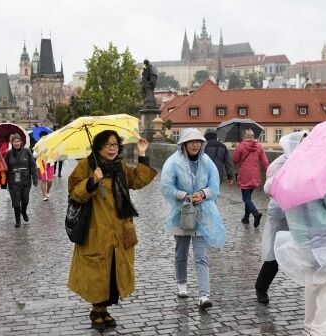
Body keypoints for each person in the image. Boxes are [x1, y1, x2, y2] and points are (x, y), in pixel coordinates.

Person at [68, 131, 156, 331]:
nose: (112, 148)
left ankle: (104, 309)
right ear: (98, 147)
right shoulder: (86, 166)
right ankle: (96, 310)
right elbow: (74, 192)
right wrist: (92, 181)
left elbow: (137, 181)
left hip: (119, 229)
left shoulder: (120, 166)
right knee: (97, 273)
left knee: (113, 273)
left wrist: (142, 154)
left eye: (115, 145)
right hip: (96, 230)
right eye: (108, 145)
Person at [274, 180, 326, 335]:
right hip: (324, 239)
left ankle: (309, 328)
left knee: (314, 283)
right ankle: (317, 331)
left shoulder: (294, 171)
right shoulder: (325, 171)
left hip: (303, 238)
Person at [160, 128, 226, 309]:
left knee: (201, 256)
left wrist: (203, 194)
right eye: (191, 142)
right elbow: (166, 187)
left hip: (203, 214)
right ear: (184, 144)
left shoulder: (207, 162)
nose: (195, 144)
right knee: (181, 253)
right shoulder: (173, 162)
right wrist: (183, 195)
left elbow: (215, 185)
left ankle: (204, 295)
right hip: (181, 213)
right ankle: (181, 284)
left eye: (198, 141)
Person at [255, 131, 308, 305]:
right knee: (274, 253)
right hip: (280, 213)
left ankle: (317, 288)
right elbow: (272, 188)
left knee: (311, 251)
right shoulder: (280, 163)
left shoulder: (307, 161)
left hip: (300, 213)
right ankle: (261, 287)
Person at [233, 128, 269, 227]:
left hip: (244, 175)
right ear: (253, 136)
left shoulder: (241, 146)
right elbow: (265, 162)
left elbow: (235, 160)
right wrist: (269, 173)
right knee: (248, 198)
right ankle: (246, 217)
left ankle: (256, 214)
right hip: (255, 175)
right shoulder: (259, 146)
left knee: (246, 199)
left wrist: (237, 148)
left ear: (244, 136)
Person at [4, 134, 37, 228]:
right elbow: (4, 168)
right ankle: (18, 220)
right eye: (15, 141)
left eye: (18, 141)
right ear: (12, 143)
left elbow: (33, 166)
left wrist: (35, 178)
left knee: (25, 200)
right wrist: (3, 182)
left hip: (26, 181)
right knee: (16, 201)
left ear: (21, 142)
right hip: (13, 181)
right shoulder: (9, 153)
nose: (17, 143)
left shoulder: (27, 151)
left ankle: (23, 211)